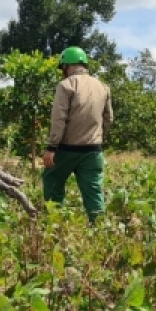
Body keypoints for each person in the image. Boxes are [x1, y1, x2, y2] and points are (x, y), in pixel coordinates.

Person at [41, 46, 113, 221]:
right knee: (94, 191)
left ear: (67, 66)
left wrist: (51, 147)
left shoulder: (66, 85)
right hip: (93, 151)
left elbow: (59, 119)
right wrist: (95, 137)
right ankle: (99, 229)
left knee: (52, 179)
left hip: (67, 149)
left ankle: (55, 222)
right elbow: (108, 118)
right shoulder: (103, 87)